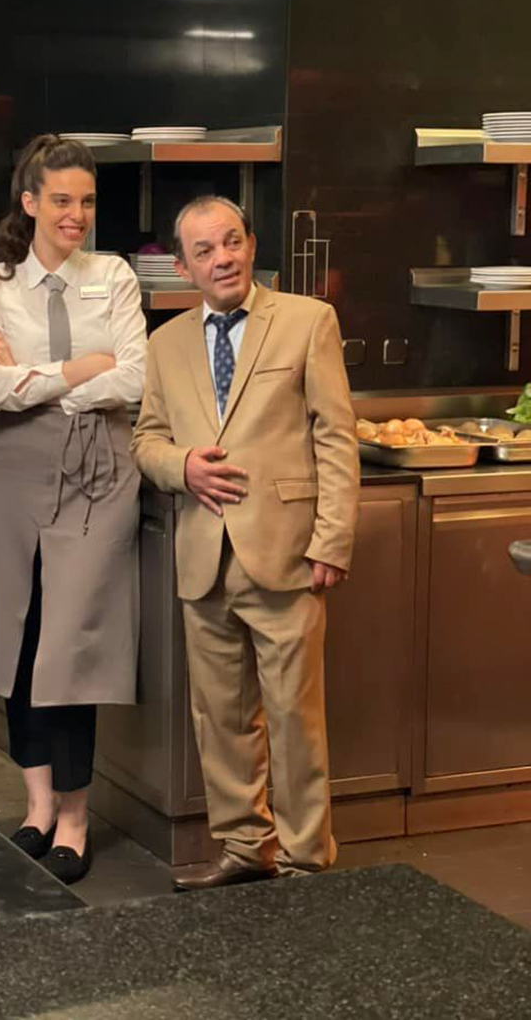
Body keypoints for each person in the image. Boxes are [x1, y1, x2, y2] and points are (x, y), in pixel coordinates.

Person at [130, 195, 359, 890]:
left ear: (252, 245)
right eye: (204, 250)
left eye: (232, 242)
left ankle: (305, 858)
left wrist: (332, 540)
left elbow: (335, 436)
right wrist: (183, 466)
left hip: (287, 552)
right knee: (220, 715)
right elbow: (146, 439)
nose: (222, 258)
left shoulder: (308, 321)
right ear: (183, 267)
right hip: (204, 556)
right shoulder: (165, 343)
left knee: (294, 716)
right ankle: (243, 845)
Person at [0, 134, 146, 884]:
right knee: (20, 640)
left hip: (99, 471)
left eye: (86, 201)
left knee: (71, 647)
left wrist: (44, 379)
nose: (76, 215)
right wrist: (83, 367)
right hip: (14, 473)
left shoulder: (114, 275)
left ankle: (76, 816)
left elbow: (136, 375)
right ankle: (36, 806)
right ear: (29, 202)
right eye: (61, 199)